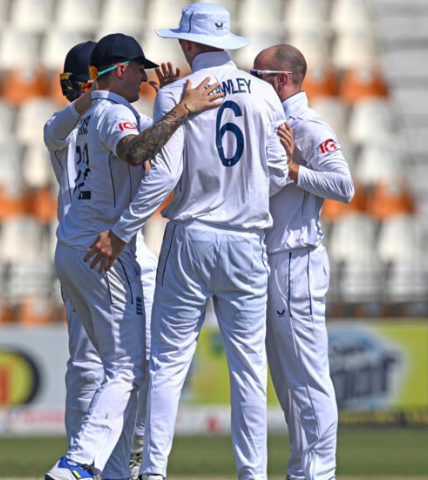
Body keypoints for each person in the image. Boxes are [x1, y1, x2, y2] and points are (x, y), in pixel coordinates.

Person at [84, 4, 289, 479]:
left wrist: (121, 232)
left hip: (193, 235)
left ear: (191, 44)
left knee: (170, 365)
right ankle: (252, 474)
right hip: (247, 241)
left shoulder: (176, 93)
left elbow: (165, 176)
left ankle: (153, 472)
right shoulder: (262, 93)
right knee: (249, 370)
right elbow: (278, 172)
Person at [45, 33, 222, 480]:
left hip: (75, 246)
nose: (145, 75)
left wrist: (166, 100)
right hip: (102, 250)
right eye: (139, 68)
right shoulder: (110, 114)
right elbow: (137, 149)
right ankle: (79, 463)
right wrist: (183, 108)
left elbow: (125, 136)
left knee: (118, 369)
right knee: (125, 367)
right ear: (120, 70)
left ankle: (115, 469)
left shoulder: (89, 118)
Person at [252, 44, 354, 480]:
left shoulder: (307, 124)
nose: (251, 83)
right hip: (274, 258)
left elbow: (344, 185)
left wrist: (294, 170)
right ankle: (303, 470)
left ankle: (318, 473)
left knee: (308, 378)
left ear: (281, 80)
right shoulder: (274, 121)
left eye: (258, 76)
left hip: (297, 259)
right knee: (288, 380)